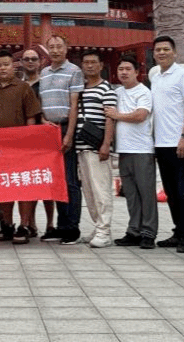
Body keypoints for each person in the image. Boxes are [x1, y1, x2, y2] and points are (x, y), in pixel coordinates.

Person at [0, 48, 42, 244]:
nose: (2, 68)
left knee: (22, 186)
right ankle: (6, 225)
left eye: (6, 65)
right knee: (3, 188)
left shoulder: (23, 87)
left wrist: (29, 142)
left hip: (20, 148)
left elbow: (31, 117)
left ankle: (24, 225)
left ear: (13, 66)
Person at [149, 35, 184, 252]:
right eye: (158, 50)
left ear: (174, 52)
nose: (162, 53)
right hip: (160, 143)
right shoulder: (156, 77)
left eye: (166, 49)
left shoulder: (183, 75)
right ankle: (178, 232)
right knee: (170, 190)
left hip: (180, 142)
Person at [38, 34, 84, 244]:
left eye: (59, 47)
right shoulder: (44, 73)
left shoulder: (74, 71)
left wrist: (69, 134)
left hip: (65, 127)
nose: (55, 51)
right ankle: (61, 224)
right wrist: (43, 120)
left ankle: (72, 228)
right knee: (55, 180)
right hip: (49, 130)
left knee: (70, 181)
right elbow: (42, 102)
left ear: (67, 48)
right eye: (52, 47)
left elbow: (74, 105)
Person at [107, 57, 158, 249]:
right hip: (123, 151)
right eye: (120, 69)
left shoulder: (144, 92)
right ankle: (133, 230)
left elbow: (140, 115)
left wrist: (117, 115)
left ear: (137, 72)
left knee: (146, 193)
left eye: (128, 69)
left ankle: (148, 232)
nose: (124, 72)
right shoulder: (117, 92)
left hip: (142, 150)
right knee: (131, 194)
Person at [76, 49, 116, 248]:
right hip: (81, 147)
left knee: (101, 191)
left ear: (101, 65)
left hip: (97, 147)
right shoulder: (80, 88)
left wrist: (106, 144)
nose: (89, 66)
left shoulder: (106, 89)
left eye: (93, 62)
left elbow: (110, 118)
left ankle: (105, 230)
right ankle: (97, 226)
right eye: (86, 62)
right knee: (89, 192)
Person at [20, 47, 53, 238]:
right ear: (22, 62)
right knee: (28, 182)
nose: (30, 62)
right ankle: (30, 223)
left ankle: (50, 223)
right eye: (26, 59)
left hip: (45, 138)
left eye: (34, 59)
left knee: (47, 182)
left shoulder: (46, 83)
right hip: (25, 140)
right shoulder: (19, 84)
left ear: (40, 62)